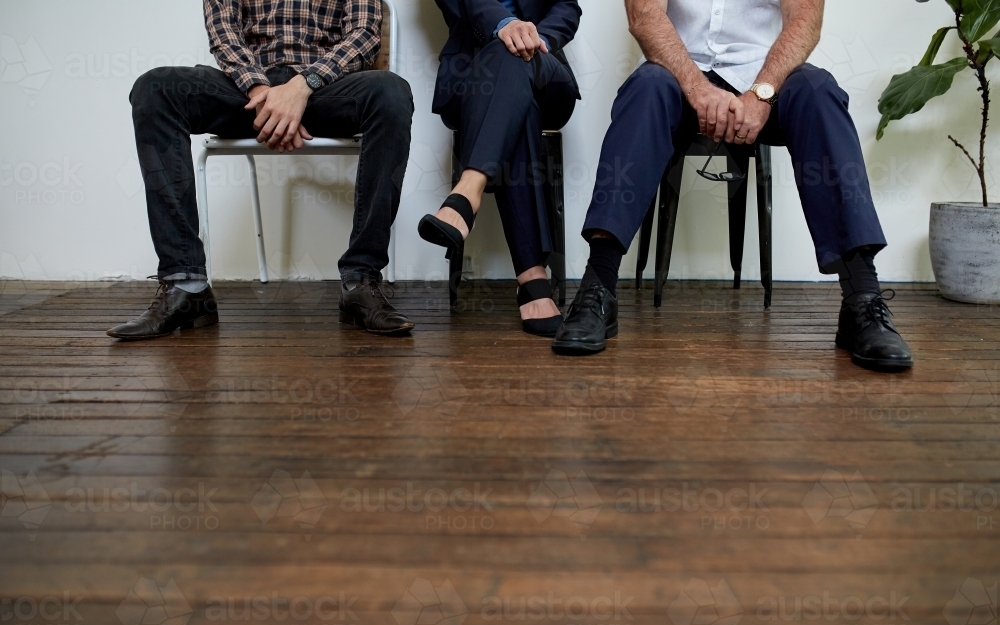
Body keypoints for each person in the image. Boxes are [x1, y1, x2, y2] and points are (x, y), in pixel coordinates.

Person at [552, 0, 914, 372]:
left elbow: (805, 19)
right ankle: (598, 289)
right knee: (645, 87)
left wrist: (762, 93)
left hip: (765, 78)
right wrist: (697, 88)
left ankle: (862, 299)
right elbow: (644, 16)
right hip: (679, 72)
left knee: (817, 90)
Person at [108, 0, 415, 340]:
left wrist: (301, 87)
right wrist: (264, 94)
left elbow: (363, 35)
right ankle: (186, 286)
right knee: (155, 88)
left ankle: (361, 280)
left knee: (392, 92)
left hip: (325, 90)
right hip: (246, 93)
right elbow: (224, 31)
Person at [421, 0, 582, 336]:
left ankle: (467, 192)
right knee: (510, 73)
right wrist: (507, 26)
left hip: (546, 68)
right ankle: (532, 277)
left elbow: (567, 9)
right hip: (469, 78)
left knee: (513, 56)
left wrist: (535, 39)